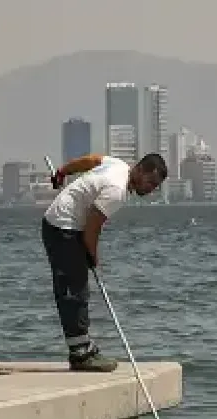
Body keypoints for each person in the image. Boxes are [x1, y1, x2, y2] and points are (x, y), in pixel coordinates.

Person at [41, 152, 168, 372]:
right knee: (74, 290)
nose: (151, 190)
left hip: (63, 224)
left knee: (76, 287)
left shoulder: (117, 165)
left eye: (155, 186)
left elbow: (89, 160)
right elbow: (93, 225)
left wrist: (63, 171)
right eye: (150, 182)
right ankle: (81, 354)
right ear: (139, 170)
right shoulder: (117, 191)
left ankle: (82, 347)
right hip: (63, 227)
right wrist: (93, 256)